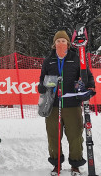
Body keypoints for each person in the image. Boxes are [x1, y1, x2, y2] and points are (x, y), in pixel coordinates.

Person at [38, 30, 96, 176]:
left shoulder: (76, 58)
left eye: (63, 41)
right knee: (53, 136)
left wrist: (89, 88)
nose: (61, 43)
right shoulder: (48, 60)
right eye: (58, 41)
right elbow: (42, 80)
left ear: (68, 44)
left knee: (75, 136)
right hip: (53, 104)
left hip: (72, 104)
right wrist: (42, 86)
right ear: (54, 44)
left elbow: (87, 75)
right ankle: (56, 165)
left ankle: (75, 165)